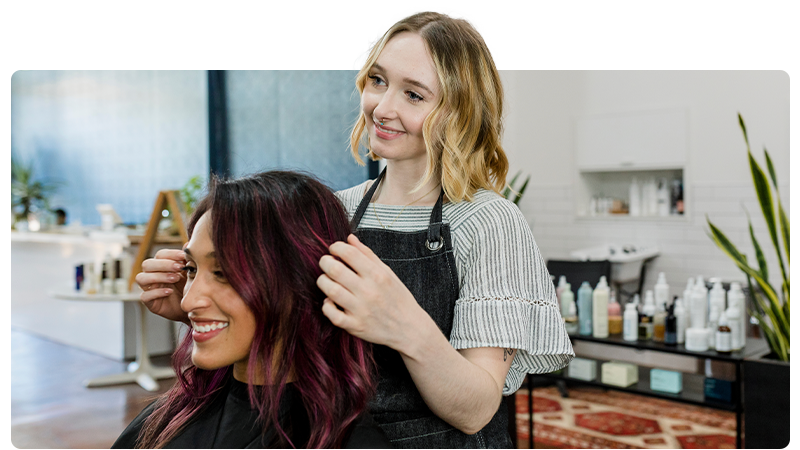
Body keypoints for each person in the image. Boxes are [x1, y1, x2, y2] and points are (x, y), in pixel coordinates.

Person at [136, 9, 574, 449]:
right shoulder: (337, 210)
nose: (382, 108)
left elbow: (477, 410)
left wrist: (406, 325)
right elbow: (289, 339)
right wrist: (202, 306)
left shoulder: (488, 223)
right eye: (378, 81)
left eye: (414, 95)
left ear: (460, 110)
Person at [116, 171, 392, 450]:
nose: (187, 303)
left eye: (223, 272)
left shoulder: (352, 442)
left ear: (300, 281)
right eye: (191, 269)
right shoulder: (168, 420)